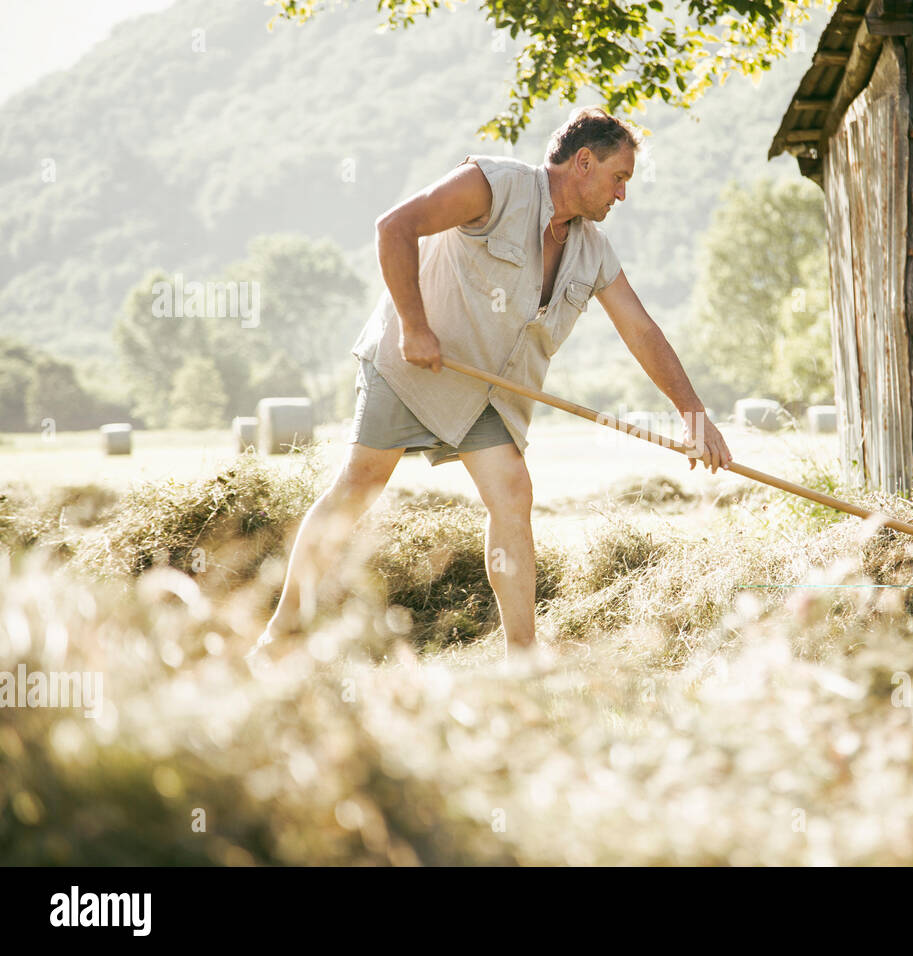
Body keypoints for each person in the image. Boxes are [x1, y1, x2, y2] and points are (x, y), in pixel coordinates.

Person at [250, 106, 732, 661]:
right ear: (583, 163)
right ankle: (280, 635)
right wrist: (414, 324)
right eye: (619, 177)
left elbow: (642, 331)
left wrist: (693, 414)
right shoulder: (495, 185)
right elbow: (394, 227)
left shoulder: (592, 249)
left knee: (513, 493)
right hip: (412, 367)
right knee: (357, 487)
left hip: (487, 392)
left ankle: (522, 659)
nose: (622, 194)